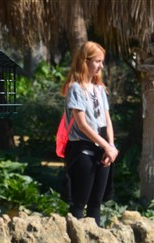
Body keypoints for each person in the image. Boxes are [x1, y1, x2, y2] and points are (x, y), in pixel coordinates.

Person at [61, 41, 119, 226]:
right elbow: (83, 124)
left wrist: (111, 147)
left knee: (96, 203)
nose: (101, 66)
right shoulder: (75, 88)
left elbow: (107, 120)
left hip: (103, 148)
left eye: (102, 61)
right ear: (85, 61)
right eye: (97, 61)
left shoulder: (100, 89)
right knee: (79, 202)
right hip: (83, 148)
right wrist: (106, 146)